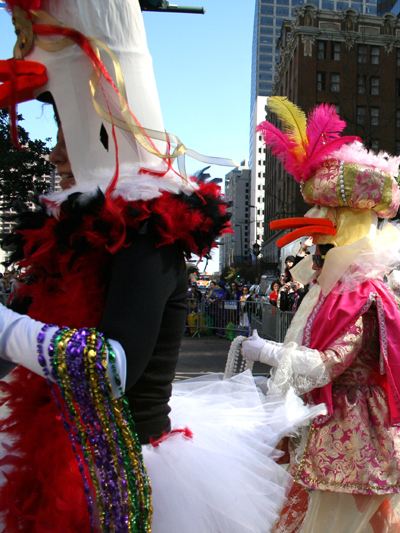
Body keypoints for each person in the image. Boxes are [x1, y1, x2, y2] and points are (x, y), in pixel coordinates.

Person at [0, 2, 317, 531]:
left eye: (69, 133)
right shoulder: (65, 238)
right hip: (51, 464)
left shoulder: (151, 237)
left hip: (128, 480)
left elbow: (111, 369)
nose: (56, 153)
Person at [245, 99, 400, 532]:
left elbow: (331, 364)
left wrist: (268, 352)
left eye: (325, 227)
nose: (314, 248)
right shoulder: (330, 288)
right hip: (325, 415)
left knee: (354, 516)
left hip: (352, 421)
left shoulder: (361, 296)